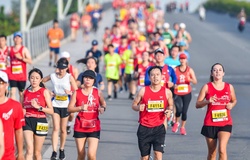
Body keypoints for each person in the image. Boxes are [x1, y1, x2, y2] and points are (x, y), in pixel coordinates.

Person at [196, 63, 237, 160]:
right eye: (215, 70)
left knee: (222, 150)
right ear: (211, 74)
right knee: (212, 153)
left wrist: (231, 104)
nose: (217, 72)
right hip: (210, 123)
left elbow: (234, 100)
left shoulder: (229, 87)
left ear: (223, 73)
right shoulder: (207, 87)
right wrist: (207, 101)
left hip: (225, 122)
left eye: (220, 70)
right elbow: (197, 104)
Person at [132, 66, 173, 160]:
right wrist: (138, 107)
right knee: (144, 157)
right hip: (144, 128)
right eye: (153, 75)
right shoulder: (143, 91)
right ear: (149, 77)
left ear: (162, 76)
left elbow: (170, 105)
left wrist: (169, 111)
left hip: (159, 128)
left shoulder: (167, 92)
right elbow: (133, 104)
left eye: (158, 74)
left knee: (158, 155)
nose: (155, 77)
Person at [42, 58, 77, 160]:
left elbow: (76, 91)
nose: (61, 70)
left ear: (67, 68)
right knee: (56, 128)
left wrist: (70, 93)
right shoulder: (53, 76)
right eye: (59, 68)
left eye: (63, 68)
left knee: (62, 129)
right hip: (55, 104)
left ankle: (61, 149)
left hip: (65, 105)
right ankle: (54, 151)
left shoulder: (69, 77)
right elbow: (42, 81)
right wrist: (48, 91)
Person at [68, 70, 106, 160]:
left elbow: (103, 103)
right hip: (80, 126)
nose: (88, 80)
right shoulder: (77, 93)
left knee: (91, 155)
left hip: (94, 126)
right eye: (86, 77)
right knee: (81, 154)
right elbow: (69, 108)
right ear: (83, 79)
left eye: (90, 78)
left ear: (94, 81)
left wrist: (103, 108)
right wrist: (80, 108)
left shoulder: (98, 92)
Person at [22, 68, 54, 160]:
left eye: (37, 78)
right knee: (29, 150)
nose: (34, 80)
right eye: (32, 78)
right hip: (27, 121)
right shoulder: (25, 92)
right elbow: (22, 108)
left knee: (37, 153)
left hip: (41, 121)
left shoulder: (44, 91)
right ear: (29, 79)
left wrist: (39, 107)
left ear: (40, 80)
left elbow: (51, 111)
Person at [0, 71, 24, 160]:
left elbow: (18, 130)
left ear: (6, 85)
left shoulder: (15, 106)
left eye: (1, 83)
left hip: (8, 156)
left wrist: (20, 153)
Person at [172, 53, 197, 135]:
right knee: (178, 109)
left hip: (187, 93)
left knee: (184, 111)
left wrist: (190, 79)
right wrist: (173, 84)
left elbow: (195, 82)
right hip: (177, 92)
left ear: (186, 60)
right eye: (181, 59)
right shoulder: (175, 69)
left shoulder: (190, 70)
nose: (182, 60)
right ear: (179, 60)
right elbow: (172, 79)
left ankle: (182, 127)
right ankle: (176, 123)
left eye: (184, 59)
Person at [9, 32, 32, 102]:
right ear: (13, 39)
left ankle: (20, 109)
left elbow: (30, 61)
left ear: (21, 39)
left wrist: (21, 58)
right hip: (12, 75)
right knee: (12, 92)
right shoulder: (10, 49)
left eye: (19, 38)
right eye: (16, 37)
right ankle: (13, 108)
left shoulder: (24, 49)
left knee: (21, 93)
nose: (17, 39)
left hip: (21, 76)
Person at [60, 51, 79, 135]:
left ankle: (68, 124)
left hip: (71, 95)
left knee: (71, 114)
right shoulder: (58, 70)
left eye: (66, 59)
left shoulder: (74, 69)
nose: (65, 61)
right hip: (61, 95)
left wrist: (72, 83)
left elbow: (77, 82)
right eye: (63, 59)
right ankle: (62, 129)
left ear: (69, 59)